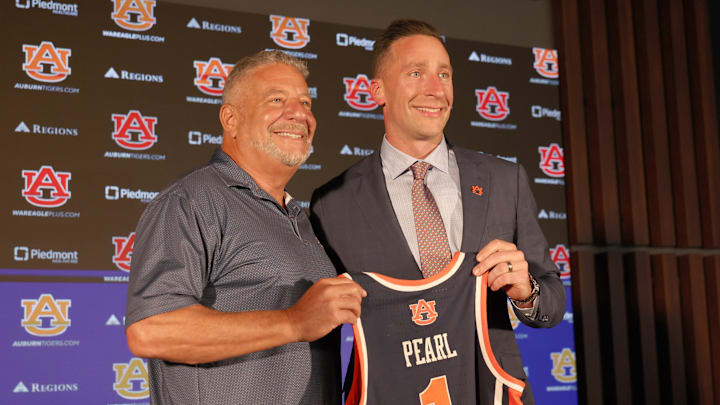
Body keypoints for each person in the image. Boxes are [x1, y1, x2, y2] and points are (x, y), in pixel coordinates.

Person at [310, 20, 565, 404]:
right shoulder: (333, 203)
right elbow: (321, 336)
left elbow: (552, 304)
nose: (436, 89)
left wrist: (527, 292)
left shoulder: (504, 179)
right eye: (416, 73)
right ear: (376, 90)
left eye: (444, 74)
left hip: (491, 392)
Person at [125, 50, 365, 405]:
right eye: (277, 99)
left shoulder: (301, 218)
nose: (299, 113)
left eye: (305, 102)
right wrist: (293, 322)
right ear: (230, 119)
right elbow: (151, 330)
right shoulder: (191, 202)